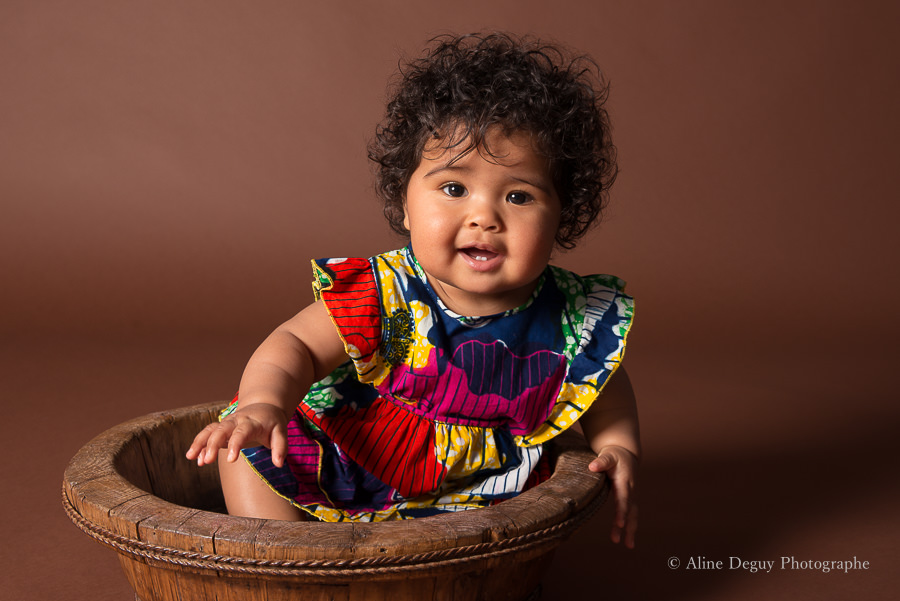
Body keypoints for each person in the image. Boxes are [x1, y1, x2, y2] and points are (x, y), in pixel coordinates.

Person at [187, 32, 640, 548]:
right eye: (453, 188)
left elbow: (608, 391)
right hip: (356, 453)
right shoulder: (384, 291)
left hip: (482, 489)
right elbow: (295, 346)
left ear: (563, 217)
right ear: (403, 205)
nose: (483, 217)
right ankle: (282, 556)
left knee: (517, 527)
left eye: (518, 195)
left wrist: (620, 447)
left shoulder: (571, 316)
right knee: (246, 448)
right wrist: (264, 403)